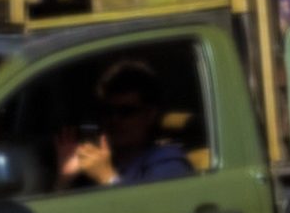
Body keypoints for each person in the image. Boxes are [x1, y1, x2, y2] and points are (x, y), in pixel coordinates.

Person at [57, 59, 197, 188]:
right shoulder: (102, 162)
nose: (114, 120)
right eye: (108, 111)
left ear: (149, 115)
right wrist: (65, 178)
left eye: (126, 112)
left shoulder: (167, 162)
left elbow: (156, 211)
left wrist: (107, 177)